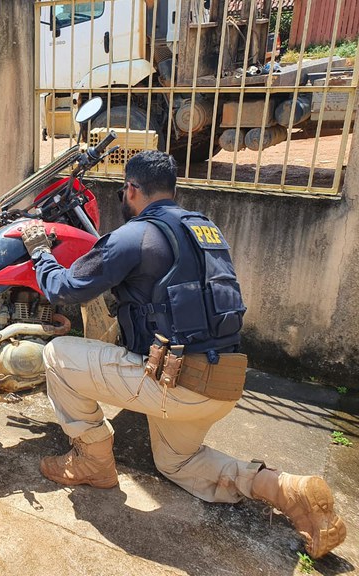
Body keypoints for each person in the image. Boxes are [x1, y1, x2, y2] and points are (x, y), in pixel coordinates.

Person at [21, 150, 346, 559]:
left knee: (59, 355)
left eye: (125, 191)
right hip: (223, 384)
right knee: (178, 464)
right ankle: (286, 489)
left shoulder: (134, 235)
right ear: (174, 189)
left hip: (175, 383)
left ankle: (92, 462)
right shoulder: (204, 228)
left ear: (132, 190)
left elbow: (64, 288)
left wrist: (39, 251)